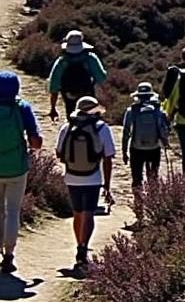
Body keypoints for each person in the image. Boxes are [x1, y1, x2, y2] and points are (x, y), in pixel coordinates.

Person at [56, 95, 114, 273]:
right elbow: (108, 158)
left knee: (78, 214)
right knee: (89, 214)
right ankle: (83, 248)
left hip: (72, 177)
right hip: (93, 178)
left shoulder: (67, 127)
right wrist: (107, 185)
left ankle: (79, 245)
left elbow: (59, 154)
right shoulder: (101, 128)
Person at [0, 71, 43, 274]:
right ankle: (8, 256)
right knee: (12, 212)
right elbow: (36, 142)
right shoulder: (22, 108)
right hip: (16, 168)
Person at [48, 30, 108, 121]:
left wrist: (53, 108)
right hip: (87, 94)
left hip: (69, 96)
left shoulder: (62, 62)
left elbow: (54, 87)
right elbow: (101, 79)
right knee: (91, 120)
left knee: (71, 119)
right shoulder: (90, 58)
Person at [121, 82, 170, 188]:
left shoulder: (131, 111)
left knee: (137, 177)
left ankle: (138, 200)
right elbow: (164, 128)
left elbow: (126, 132)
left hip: (136, 148)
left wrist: (124, 152)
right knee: (153, 176)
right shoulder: (158, 110)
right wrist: (165, 142)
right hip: (154, 147)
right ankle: (153, 199)